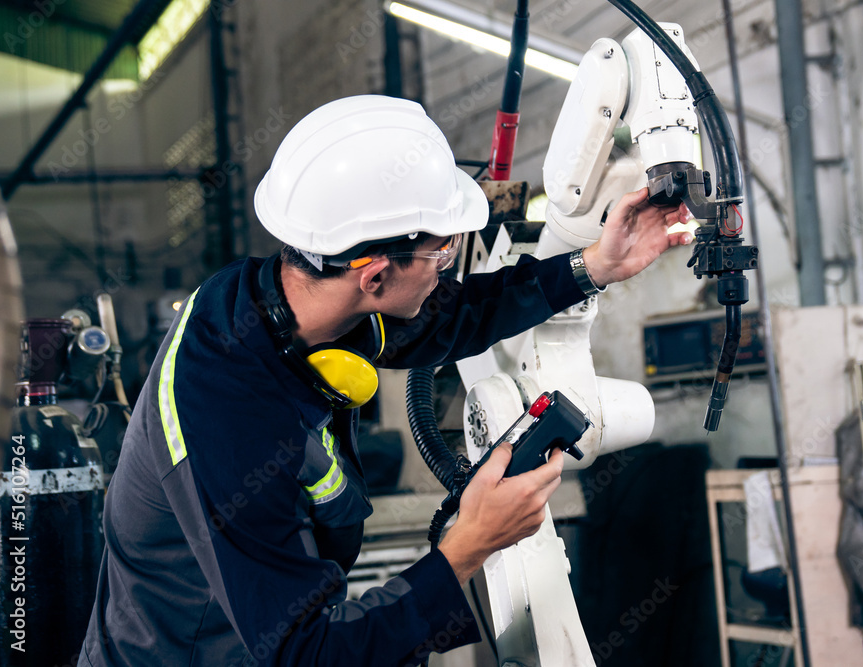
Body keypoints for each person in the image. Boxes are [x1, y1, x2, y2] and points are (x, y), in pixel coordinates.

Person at [79, 95, 692, 666]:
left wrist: (594, 266)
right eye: (441, 257)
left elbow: (449, 316)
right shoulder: (228, 418)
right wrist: (471, 542)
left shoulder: (283, 301)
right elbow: (305, 652)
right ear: (373, 277)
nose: (445, 271)